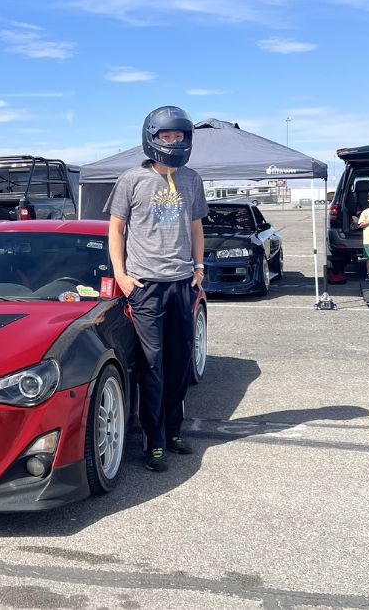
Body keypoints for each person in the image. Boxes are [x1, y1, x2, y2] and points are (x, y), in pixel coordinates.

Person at [106, 106, 208, 472]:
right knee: (153, 365)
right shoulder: (132, 179)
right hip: (146, 286)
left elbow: (196, 226)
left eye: (178, 136)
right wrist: (121, 275)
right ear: (152, 137)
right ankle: (154, 441)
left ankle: (173, 429)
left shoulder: (192, 179)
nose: (173, 141)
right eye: (166, 136)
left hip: (182, 283)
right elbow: (115, 229)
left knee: (180, 362)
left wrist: (198, 267)